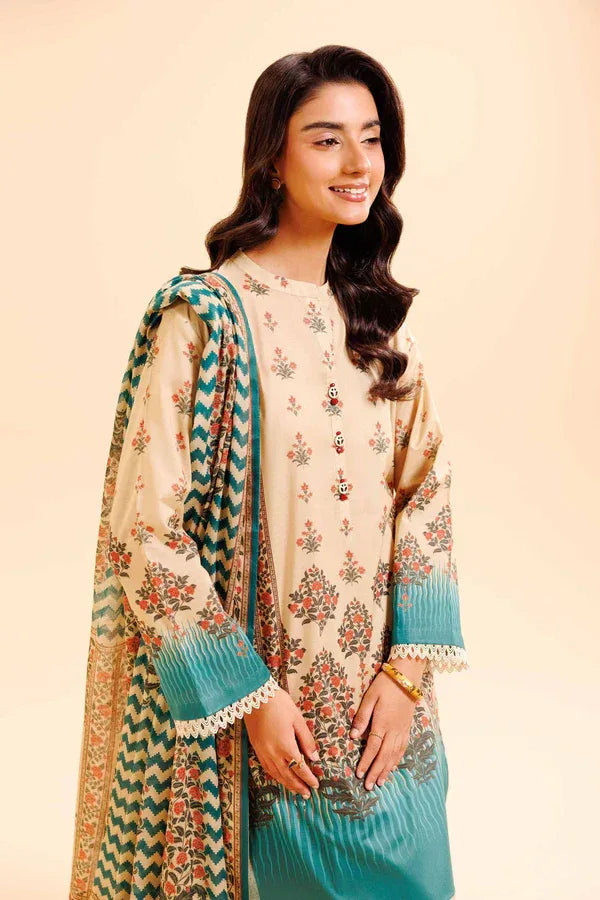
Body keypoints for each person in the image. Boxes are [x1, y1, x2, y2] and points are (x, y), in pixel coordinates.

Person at [70, 45, 468, 900]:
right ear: (272, 160)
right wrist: (248, 699)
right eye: (326, 140)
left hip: (385, 715)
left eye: (373, 138)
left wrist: (405, 679)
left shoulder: (384, 328)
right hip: (258, 715)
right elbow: (146, 527)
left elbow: (425, 500)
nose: (360, 164)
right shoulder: (204, 320)